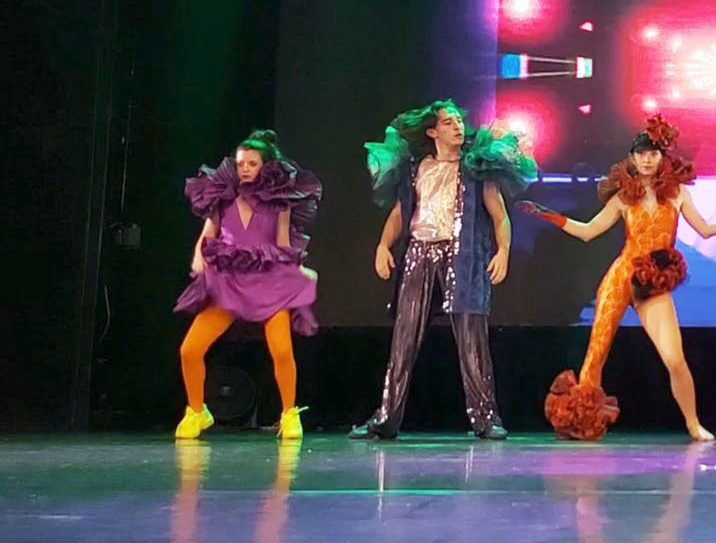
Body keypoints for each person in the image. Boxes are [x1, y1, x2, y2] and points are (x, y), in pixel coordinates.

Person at [519, 115, 716, 441]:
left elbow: (706, 231)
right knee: (595, 355)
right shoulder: (624, 197)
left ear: (662, 157)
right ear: (633, 158)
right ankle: (580, 424)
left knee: (674, 359)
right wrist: (546, 214)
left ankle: (693, 423)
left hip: (652, 284)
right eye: (641, 154)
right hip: (622, 276)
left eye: (653, 154)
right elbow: (588, 232)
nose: (647, 160)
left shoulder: (678, 193)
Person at [349, 100, 537, 440]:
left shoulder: (476, 168)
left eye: (458, 121)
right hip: (419, 252)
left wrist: (503, 251)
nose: (457, 127)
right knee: (404, 337)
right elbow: (399, 213)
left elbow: (500, 216)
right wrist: (383, 245)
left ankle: (485, 418)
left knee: (471, 337)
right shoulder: (416, 169)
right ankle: (386, 419)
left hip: (461, 255)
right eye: (448, 123)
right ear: (433, 132)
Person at [174, 129, 322, 439]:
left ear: (265, 166)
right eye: (241, 163)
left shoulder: (279, 203)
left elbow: (283, 244)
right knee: (190, 349)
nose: (244, 169)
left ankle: (289, 414)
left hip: (268, 281)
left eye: (252, 164)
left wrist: (298, 270)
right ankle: (197, 412)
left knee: (281, 349)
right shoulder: (223, 197)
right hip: (230, 281)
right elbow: (208, 233)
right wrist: (198, 256)